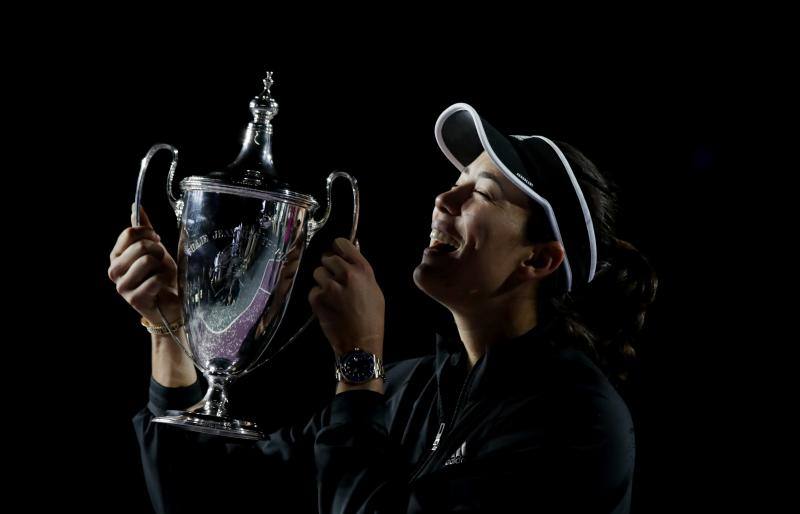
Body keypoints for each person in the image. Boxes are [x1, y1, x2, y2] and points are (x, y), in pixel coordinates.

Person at [108, 103, 659, 513]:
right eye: (456, 180)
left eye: (482, 193)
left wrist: (357, 362)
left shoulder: (577, 422)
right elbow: (200, 495)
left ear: (538, 260)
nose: (446, 198)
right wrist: (170, 329)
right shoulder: (407, 391)